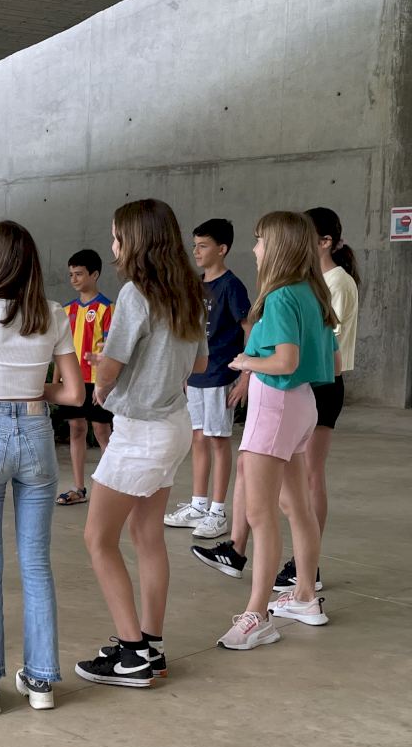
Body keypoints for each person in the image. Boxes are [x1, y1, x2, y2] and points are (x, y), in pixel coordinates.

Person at [0, 222, 85, 714]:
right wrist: (32, 389)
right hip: (36, 433)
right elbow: (74, 393)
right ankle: (42, 680)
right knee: (36, 563)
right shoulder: (53, 312)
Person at [74, 199, 208, 688]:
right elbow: (198, 364)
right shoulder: (189, 291)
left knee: (98, 538)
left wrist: (101, 378)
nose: (113, 245)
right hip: (173, 423)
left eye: (117, 236)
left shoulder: (135, 293)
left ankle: (131, 655)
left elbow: (110, 367)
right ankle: (151, 644)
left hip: (140, 432)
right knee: (147, 536)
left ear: (136, 241)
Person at [217, 212, 339, 650]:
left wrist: (247, 362)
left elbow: (285, 361)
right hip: (302, 404)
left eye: (260, 240)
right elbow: (332, 363)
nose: (254, 249)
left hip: (275, 404)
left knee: (260, 513)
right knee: (295, 506)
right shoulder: (313, 292)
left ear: (278, 247)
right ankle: (305, 595)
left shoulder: (283, 295)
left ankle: (257, 615)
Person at [272, 206, 359, 592]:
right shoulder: (314, 281)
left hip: (324, 383)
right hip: (308, 382)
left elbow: (326, 343)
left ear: (324, 242)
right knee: (298, 476)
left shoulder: (337, 282)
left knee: (310, 475)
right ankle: (304, 562)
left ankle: (308, 565)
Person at [164, 219, 251, 540]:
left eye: (203, 246)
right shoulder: (195, 285)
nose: (196, 252)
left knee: (217, 440)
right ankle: (199, 505)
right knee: (198, 438)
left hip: (221, 376)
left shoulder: (232, 286)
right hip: (196, 376)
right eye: (195, 246)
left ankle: (217, 511)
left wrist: (245, 376)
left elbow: (250, 330)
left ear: (222, 249)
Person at [53, 249, 114, 506]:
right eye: (71, 275)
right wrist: (56, 380)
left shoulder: (107, 308)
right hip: (72, 380)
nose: (74, 279)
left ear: (94, 274)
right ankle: (79, 488)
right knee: (76, 429)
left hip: (97, 381)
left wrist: (105, 383)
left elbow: (111, 351)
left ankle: (112, 486)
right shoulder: (66, 310)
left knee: (102, 431)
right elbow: (59, 350)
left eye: (79, 274)